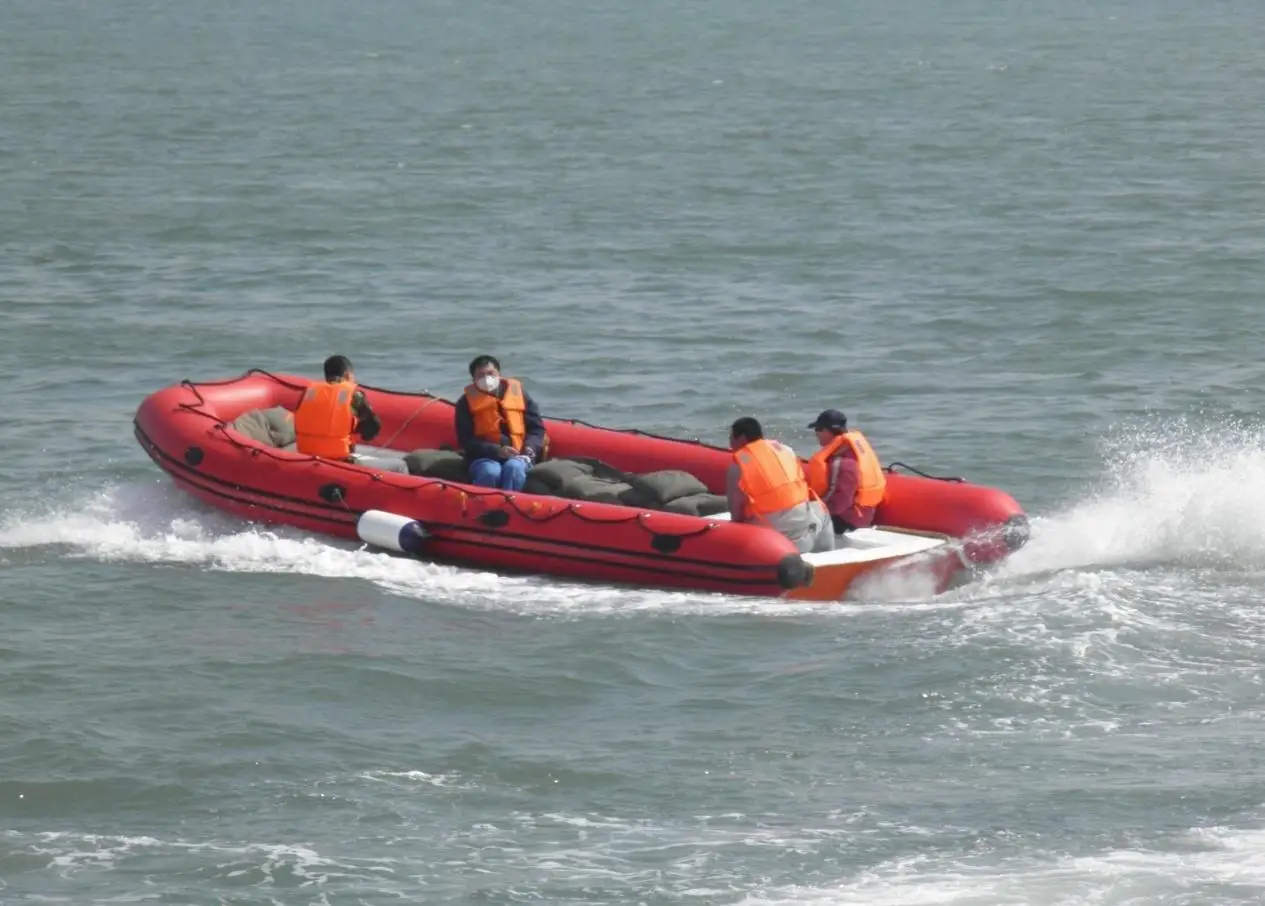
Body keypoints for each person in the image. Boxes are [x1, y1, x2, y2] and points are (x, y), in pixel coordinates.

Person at [726, 416, 834, 554]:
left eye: (731, 438)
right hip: (804, 531)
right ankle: (827, 557)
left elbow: (736, 514)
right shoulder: (785, 450)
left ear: (741, 438)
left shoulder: (738, 466)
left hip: (773, 541)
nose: (729, 442)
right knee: (822, 510)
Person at [293, 355, 408, 473]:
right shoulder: (354, 395)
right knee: (400, 465)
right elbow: (371, 430)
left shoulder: (308, 393)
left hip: (306, 455)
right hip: (340, 461)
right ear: (347, 374)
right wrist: (354, 427)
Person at [454, 354, 547, 491]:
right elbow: (465, 439)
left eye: (491, 373)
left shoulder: (520, 395)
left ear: (499, 373)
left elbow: (537, 429)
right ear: (473, 379)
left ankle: (511, 506)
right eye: (481, 375)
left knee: (513, 468)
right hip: (484, 457)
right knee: (490, 472)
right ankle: (484, 508)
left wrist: (529, 449)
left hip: (520, 454)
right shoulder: (465, 403)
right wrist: (497, 451)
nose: (487, 378)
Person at [805, 409, 886, 534]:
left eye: (817, 430)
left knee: (795, 520)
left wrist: (810, 510)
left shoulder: (841, 462)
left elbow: (841, 502)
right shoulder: (849, 452)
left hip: (848, 521)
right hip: (861, 515)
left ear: (826, 431)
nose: (816, 434)